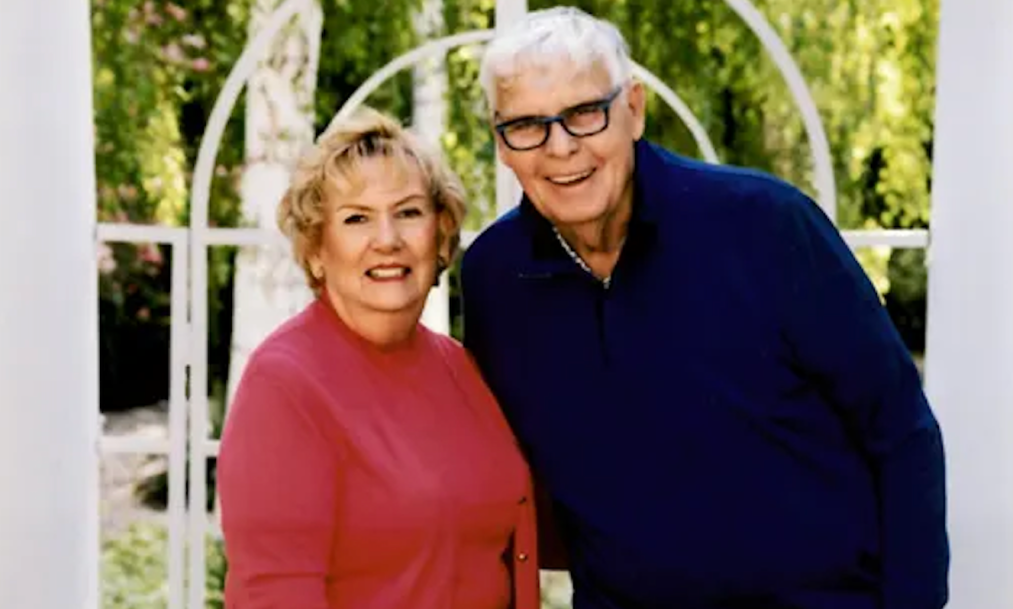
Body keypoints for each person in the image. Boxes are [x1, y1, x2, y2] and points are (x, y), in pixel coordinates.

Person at [460, 6, 948, 609]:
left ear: (634, 109)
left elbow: (901, 430)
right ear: (501, 143)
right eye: (527, 125)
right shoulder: (495, 277)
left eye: (585, 113)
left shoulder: (766, 226)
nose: (561, 147)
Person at [217, 107, 539, 609]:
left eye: (408, 213)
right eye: (357, 218)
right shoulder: (285, 385)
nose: (387, 240)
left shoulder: (460, 368)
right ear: (317, 250)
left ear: (441, 237)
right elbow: (275, 592)